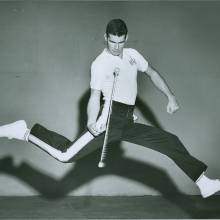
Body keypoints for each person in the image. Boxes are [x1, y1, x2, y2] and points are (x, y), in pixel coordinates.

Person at [0, 19, 219, 198]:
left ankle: (203, 183)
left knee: (170, 141)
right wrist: (90, 122)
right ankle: (23, 132)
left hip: (127, 120)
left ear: (126, 38)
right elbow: (94, 96)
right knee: (65, 156)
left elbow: (152, 73)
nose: (116, 47)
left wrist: (170, 97)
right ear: (106, 38)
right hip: (108, 120)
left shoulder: (133, 55)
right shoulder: (100, 63)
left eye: (120, 42)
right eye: (112, 41)